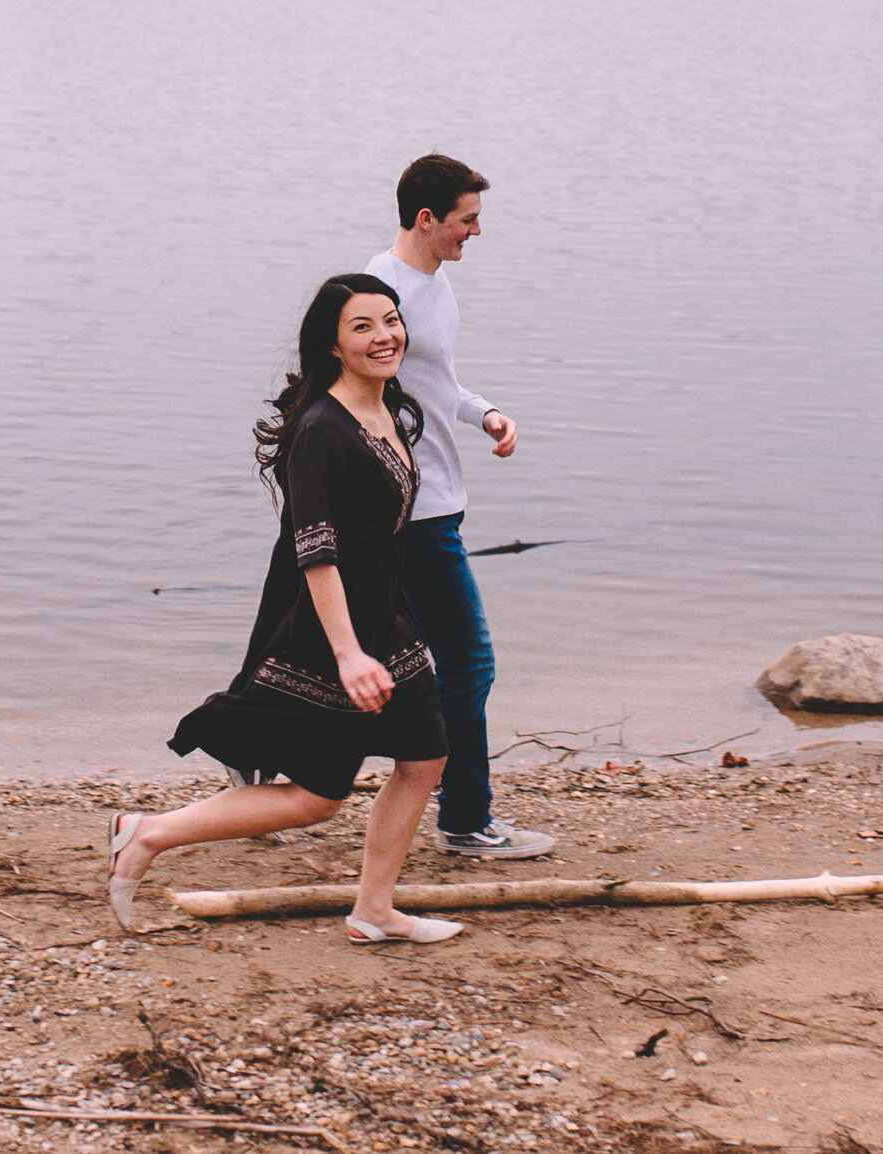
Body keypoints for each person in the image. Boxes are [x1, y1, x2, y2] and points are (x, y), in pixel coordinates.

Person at [108, 274, 463, 944]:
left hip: (386, 621)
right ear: (331, 343)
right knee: (317, 799)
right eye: (362, 327)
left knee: (424, 757)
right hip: (332, 636)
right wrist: (349, 653)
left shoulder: (389, 408)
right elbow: (316, 552)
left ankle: (374, 910)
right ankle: (146, 832)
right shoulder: (321, 432)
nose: (384, 336)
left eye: (391, 321)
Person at [366, 155, 554, 859]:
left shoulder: (435, 286)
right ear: (426, 219)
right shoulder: (377, 292)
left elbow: (432, 381)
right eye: (466, 219)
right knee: (468, 663)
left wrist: (484, 413)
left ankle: (262, 755)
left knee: (378, 659)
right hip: (412, 510)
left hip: (441, 498)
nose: (476, 231)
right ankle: (466, 819)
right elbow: (346, 389)